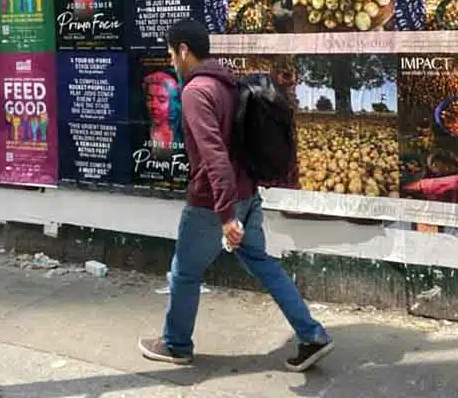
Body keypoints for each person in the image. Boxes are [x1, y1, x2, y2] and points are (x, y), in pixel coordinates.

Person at [139, 19, 334, 372]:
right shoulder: (227, 82)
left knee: (184, 273)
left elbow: (214, 155)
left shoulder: (196, 92)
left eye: (171, 53)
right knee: (263, 264)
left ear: (183, 50)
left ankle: (176, 345)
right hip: (248, 194)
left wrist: (226, 215)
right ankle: (313, 334)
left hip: (211, 204)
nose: (171, 61)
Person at [142, 70, 182, 149]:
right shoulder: (138, 135)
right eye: (149, 99)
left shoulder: (182, 135)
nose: (153, 106)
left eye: (161, 100)